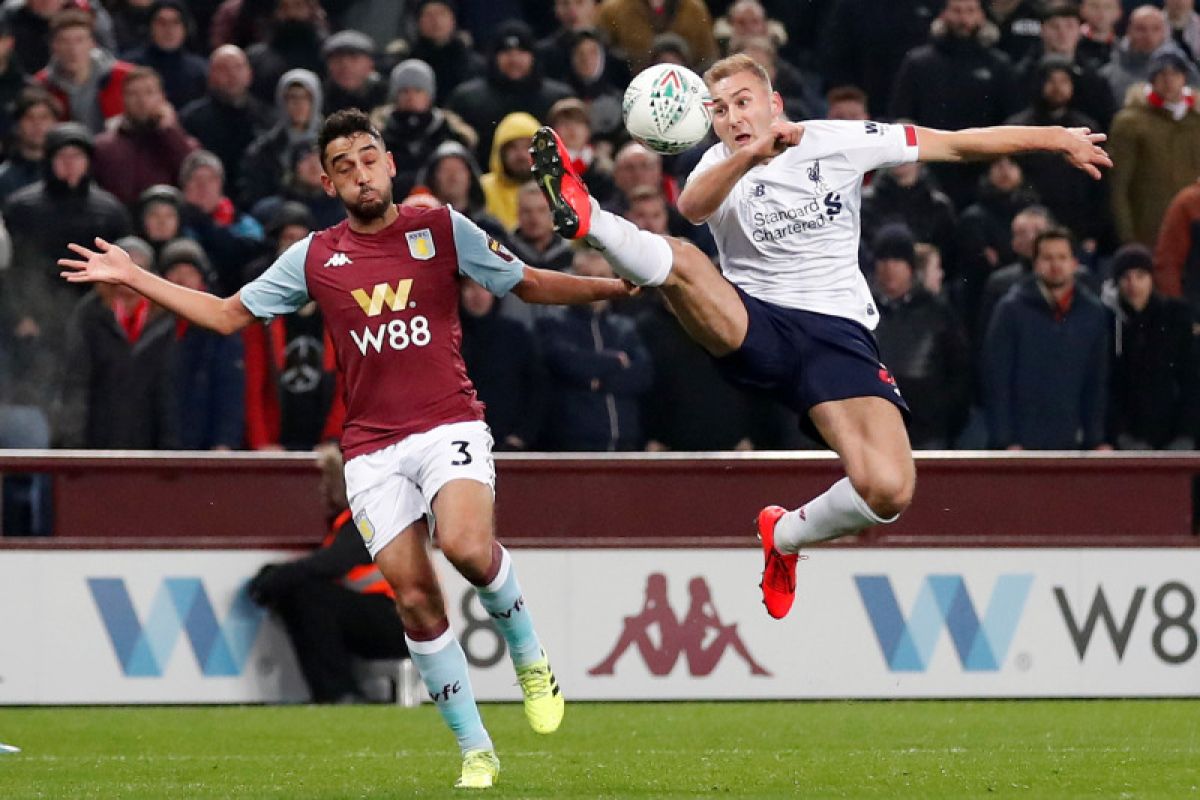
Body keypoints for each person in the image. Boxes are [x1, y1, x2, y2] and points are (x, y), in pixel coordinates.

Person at [60, 108, 633, 790]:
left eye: (369, 157)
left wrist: (620, 284)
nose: (361, 173)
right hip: (371, 450)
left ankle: (530, 656)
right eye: (344, 166)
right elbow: (223, 314)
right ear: (329, 183)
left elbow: (528, 283)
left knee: (466, 548)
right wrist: (136, 277)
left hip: (448, 422)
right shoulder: (313, 257)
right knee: (416, 602)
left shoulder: (443, 229)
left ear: (390, 163)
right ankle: (476, 749)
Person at [529, 52, 1110, 619]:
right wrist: (751, 155)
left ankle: (784, 535)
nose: (733, 117)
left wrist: (1054, 136)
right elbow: (693, 207)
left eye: (743, 103)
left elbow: (955, 142)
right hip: (756, 320)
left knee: (888, 488)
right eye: (720, 110)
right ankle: (590, 218)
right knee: (681, 260)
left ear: (774, 103)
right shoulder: (714, 166)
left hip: (837, 337)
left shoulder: (837, 141)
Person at [248, 443, 409, 703]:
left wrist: (275, 578)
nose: (322, 489)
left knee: (310, 594)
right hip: (387, 617)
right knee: (302, 594)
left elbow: (331, 564)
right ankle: (332, 692)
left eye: (328, 481)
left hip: (399, 619)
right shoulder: (351, 522)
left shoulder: (369, 519)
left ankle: (340, 693)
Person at [982, 227, 1110, 450]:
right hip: (1021, 445)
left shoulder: (1093, 312)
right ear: (1035, 263)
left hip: (1074, 443)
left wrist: (1095, 438)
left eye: (1062, 257)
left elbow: (1097, 380)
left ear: (1074, 263)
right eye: (1048, 257)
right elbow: (997, 380)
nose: (1055, 264)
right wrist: (1006, 440)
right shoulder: (1010, 310)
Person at [888, 0, 1023, 208]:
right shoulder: (919, 63)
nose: (964, 19)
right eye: (957, 11)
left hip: (983, 172)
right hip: (930, 170)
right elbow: (902, 116)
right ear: (943, 14)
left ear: (982, 15)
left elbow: (1013, 119)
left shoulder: (999, 65)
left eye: (970, 11)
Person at [56, 235, 179, 449]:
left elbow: (172, 387)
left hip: (152, 437)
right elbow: (76, 380)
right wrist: (72, 443)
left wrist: (173, 445)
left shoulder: (167, 316)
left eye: (138, 268)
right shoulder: (90, 314)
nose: (128, 276)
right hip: (99, 434)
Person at [536, 248, 652, 451]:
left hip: (626, 442)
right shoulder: (553, 322)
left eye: (602, 277)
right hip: (573, 443)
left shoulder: (625, 327)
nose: (595, 284)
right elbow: (568, 363)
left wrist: (596, 382)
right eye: (586, 276)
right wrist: (616, 361)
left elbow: (643, 376)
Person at [870, 227, 970, 449]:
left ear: (911, 267)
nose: (889, 267)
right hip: (870, 431)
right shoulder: (860, 312)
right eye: (883, 259)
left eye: (897, 259)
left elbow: (959, 371)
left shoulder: (937, 312)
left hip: (926, 434)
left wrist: (939, 414)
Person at [1105, 243, 1197, 449]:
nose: (1133, 284)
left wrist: (1186, 434)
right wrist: (1121, 435)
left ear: (1151, 278)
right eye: (1126, 277)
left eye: (1140, 276)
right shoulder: (1110, 322)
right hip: (1128, 437)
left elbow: (1191, 380)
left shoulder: (1175, 316)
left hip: (1173, 434)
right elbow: (1109, 386)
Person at [1108, 49, 1200, 247]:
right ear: (1151, 78)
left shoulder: (1196, 120)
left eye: (1174, 73)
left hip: (1194, 229)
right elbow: (1118, 186)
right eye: (1161, 74)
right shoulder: (1130, 122)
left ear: (1184, 77)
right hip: (1149, 233)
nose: (1168, 80)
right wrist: (1128, 237)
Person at [160, 238, 245, 451]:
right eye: (175, 272)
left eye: (189, 273)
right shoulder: (150, 324)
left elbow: (230, 389)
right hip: (158, 443)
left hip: (205, 443)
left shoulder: (219, 326)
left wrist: (225, 441)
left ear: (202, 279)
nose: (181, 280)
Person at [91, 66, 198, 206]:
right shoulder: (104, 147)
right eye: (133, 94)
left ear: (162, 97)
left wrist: (168, 130)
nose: (141, 100)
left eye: (149, 93)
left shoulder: (182, 142)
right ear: (123, 99)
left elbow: (191, 174)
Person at [460, 278, 546, 450]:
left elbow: (538, 389)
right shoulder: (447, 338)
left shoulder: (515, 335)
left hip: (510, 447)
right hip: (460, 448)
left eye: (484, 287)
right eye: (469, 288)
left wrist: (521, 436)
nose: (477, 295)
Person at [375, 59, 475, 202]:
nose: (411, 97)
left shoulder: (451, 133)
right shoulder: (377, 136)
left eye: (418, 91)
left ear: (429, 95)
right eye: (404, 91)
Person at [179, 45, 274, 193]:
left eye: (238, 67)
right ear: (210, 75)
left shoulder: (268, 117)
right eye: (223, 68)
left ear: (249, 73)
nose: (232, 75)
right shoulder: (191, 119)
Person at [33, 8, 134, 134]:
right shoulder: (41, 86)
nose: (73, 50)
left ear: (92, 43)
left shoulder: (125, 76)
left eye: (79, 40)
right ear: (54, 46)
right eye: (65, 41)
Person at [123, 0, 208, 110]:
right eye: (162, 23)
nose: (169, 30)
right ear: (150, 27)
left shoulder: (200, 71)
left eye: (176, 22)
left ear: (186, 28)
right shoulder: (130, 66)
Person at [596, 0, 718, 74]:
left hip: (685, 92)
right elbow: (601, 60)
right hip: (628, 91)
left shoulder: (695, 11)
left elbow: (708, 61)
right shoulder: (612, 11)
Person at [0, 88, 60, 205]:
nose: (37, 124)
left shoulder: (70, 171)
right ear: (17, 125)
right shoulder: (3, 179)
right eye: (29, 117)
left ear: (56, 123)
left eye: (44, 117)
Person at [320, 29, 385, 116]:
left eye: (354, 58)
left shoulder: (385, 97)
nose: (345, 66)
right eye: (337, 59)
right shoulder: (317, 99)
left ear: (370, 64)